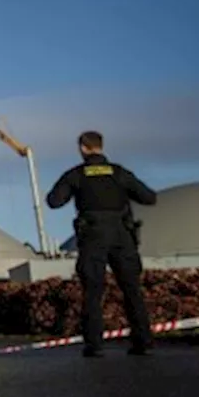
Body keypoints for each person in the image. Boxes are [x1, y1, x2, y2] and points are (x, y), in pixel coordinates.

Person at [46, 130, 158, 358]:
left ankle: (94, 345)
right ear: (101, 146)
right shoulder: (119, 173)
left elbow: (54, 201)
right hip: (122, 235)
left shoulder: (76, 174)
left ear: (82, 148)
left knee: (93, 291)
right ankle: (143, 341)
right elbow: (149, 197)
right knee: (132, 290)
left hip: (93, 235)